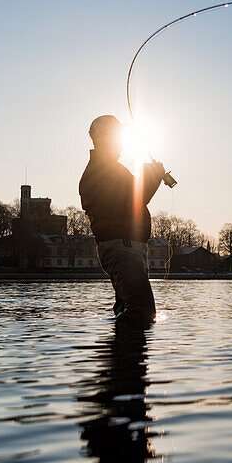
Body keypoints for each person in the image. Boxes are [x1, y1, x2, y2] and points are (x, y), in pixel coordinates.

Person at [79, 115, 166, 325]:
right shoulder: (103, 171)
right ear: (105, 139)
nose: (121, 142)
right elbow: (136, 200)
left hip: (124, 248)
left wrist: (150, 175)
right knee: (141, 309)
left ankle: (121, 354)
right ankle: (126, 355)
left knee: (128, 307)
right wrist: (152, 175)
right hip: (123, 249)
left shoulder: (105, 169)